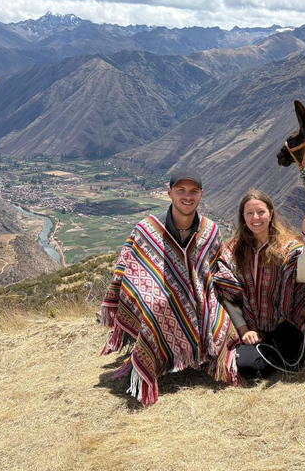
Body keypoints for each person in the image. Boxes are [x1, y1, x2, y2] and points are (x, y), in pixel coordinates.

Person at [99, 169, 239, 406]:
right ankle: (151, 362)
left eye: (193, 191)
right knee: (154, 308)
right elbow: (128, 269)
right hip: (160, 303)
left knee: (219, 320)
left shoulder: (210, 230)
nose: (187, 196)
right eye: (181, 190)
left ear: (201, 195)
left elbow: (220, 268)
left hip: (203, 301)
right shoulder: (147, 229)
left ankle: (203, 356)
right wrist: (150, 297)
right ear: (169, 193)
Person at [214, 189, 305, 379]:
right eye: (249, 213)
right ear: (243, 216)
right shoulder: (234, 250)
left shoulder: (287, 247)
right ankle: (276, 349)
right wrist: (244, 330)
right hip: (253, 327)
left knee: (297, 363)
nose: (255, 218)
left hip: (286, 325)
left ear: (271, 213)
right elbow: (228, 292)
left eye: (261, 212)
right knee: (248, 367)